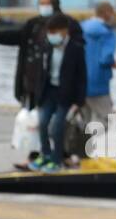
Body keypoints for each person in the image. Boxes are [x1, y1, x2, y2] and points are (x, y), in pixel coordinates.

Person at [0, 0, 83, 168]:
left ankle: (61, 155)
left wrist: (79, 95)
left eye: (47, 2)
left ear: (55, 3)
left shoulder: (69, 24)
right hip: (35, 84)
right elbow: (14, 37)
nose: (44, 6)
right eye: (41, 2)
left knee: (59, 124)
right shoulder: (33, 24)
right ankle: (37, 156)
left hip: (61, 86)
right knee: (37, 123)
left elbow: (78, 54)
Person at [33, 13, 87, 171]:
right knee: (42, 123)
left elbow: (82, 76)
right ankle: (45, 155)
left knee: (57, 128)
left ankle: (57, 160)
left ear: (65, 31)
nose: (52, 35)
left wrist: (79, 101)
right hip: (48, 91)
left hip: (66, 94)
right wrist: (37, 95)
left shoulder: (76, 48)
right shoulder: (47, 46)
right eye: (49, 32)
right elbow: (41, 72)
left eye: (55, 32)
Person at [81, 1, 116, 135]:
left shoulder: (82, 28)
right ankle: (87, 142)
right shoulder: (107, 33)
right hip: (98, 84)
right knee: (107, 120)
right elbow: (105, 58)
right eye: (112, 13)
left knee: (83, 120)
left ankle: (79, 150)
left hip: (79, 81)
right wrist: (113, 63)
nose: (114, 17)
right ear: (106, 13)